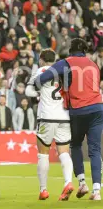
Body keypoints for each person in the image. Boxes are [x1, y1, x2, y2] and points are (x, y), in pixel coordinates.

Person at [36, 38, 103, 200]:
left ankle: (82, 183)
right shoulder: (94, 65)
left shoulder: (67, 62)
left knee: (75, 145)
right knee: (95, 149)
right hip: (98, 108)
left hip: (79, 110)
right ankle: (97, 191)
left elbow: (42, 79)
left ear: (70, 50)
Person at [26, 49, 74, 201]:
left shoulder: (40, 71)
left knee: (43, 154)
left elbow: (28, 91)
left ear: (41, 60)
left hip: (47, 117)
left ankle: (43, 190)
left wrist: (40, 93)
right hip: (64, 117)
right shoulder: (63, 71)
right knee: (64, 153)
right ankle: (68, 182)